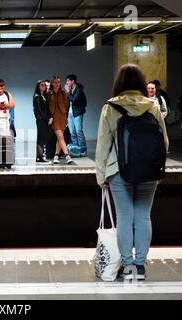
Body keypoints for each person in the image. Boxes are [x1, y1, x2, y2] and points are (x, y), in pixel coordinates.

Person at [95, 64, 169, 280]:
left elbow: (102, 145)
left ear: (119, 83)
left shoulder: (110, 107)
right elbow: (163, 141)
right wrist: (158, 168)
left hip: (119, 171)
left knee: (125, 216)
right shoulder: (152, 106)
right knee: (143, 215)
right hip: (149, 170)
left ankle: (127, 266)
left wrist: (101, 175)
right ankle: (140, 266)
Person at [48, 76, 73, 165]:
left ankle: (56, 156)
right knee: (60, 136)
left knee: (60, 138)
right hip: (54, 118)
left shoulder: (63, 92)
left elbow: (67, 104)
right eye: (55, 82)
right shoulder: (49, 93)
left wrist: (65, 116)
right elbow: (47, 106)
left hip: (62, 117)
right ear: (52, 83)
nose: (57, 84)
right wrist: (50, 117)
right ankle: (67, 155)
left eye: (58, 82)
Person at [65, 74, 87, 156]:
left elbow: (74, 100)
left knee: (78, 131)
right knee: (72, 132)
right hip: (70, 114)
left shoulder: (78, 90)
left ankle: (83, 148)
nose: (66, 83)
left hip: (77, 113)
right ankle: (76, 149)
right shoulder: (70, 90)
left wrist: (68, 92)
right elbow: (68, 102)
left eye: (68, 81)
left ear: (72, 81)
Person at [33, 80, 53, 163]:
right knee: (40, 139)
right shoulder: (37, 96)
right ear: (38, 86)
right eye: (41, 85)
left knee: (42, 138)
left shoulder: (43, 96)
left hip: (44, 120)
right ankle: (39, 157)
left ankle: (40, 156)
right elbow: (39, 110)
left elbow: (46, 109)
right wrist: (46, 119)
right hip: (41, 120)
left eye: (44, 85)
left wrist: (50, 117)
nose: (43, 86)